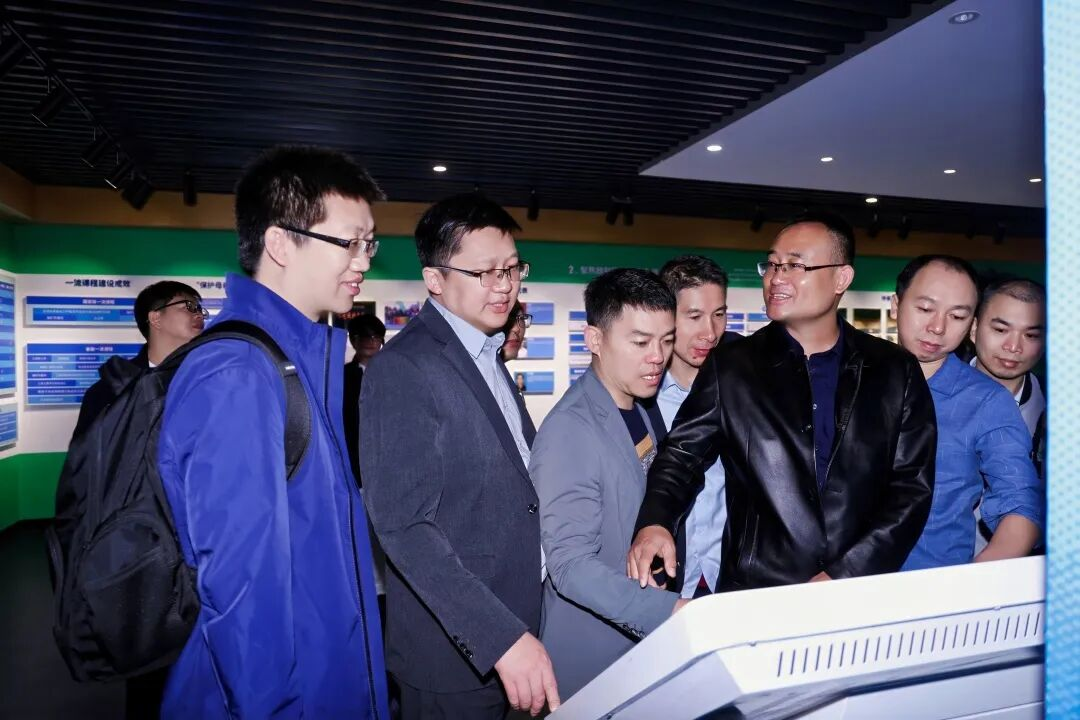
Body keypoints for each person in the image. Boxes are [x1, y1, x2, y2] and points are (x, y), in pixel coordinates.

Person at [156, 145, 389, 719]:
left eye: (370, 243)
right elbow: (241, 592)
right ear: (281, 243)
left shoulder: (296, 358)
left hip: (326, 677)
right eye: (349, 242)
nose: (363, 261)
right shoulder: (238, 372)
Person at [627, 211, 936, 592]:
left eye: (795, 265)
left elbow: (911, 488)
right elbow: (680, 457)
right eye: (772, 264)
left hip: (859, 591)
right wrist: (655, 521)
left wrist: (846, 574)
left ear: (841, 278)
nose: (776, 277)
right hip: (758, 593)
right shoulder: (732, 366)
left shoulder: (895, 370)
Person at [360, 193, 560, 719]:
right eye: (484, 272)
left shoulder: (487, 352)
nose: (504, 285)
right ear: (434, 278)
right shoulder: (405, 368)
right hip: (457, 656)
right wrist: (499, 637)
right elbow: (404, 526)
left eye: (512, 269)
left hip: (520, 626)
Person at [530, 268, 686, 699]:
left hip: (641, 654)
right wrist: (668, 610)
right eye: (640, 342)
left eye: (666, 340)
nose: (657, 357)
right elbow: (570, 566)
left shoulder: (641, 406)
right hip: (595, 660)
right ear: (595, 340)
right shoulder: (570, 429)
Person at [892, 256, 1042, 570]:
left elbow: (1021, 500)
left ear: (970, 324)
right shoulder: (853, 377)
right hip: (837, 581)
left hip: (935, 581)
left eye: (957, 316)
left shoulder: (987, 401)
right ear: (896, 305)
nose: (937, 327)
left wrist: (975, 582)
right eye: (925, 309)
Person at [652, 255, 741, 598]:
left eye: (719, 314)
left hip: (729, 575)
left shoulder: (742, 386)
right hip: (667, 581)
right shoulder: (642, 399)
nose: (710, 332)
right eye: (694, 316)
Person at [72, 281, 206, 439]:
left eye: (200, 309)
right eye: (189, 307)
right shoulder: (111, 390)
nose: (199, 315)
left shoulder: (211, 379)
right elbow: (88, 452)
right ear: (155, 318)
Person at [969, 276, 1046, 476]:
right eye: (1001, 330)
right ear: (974, 329)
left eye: (1031, 335)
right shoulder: (931, 395)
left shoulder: (1062, 409)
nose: (1013, 347)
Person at [343, 312, 387, 484]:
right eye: (365, 337)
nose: (371, 342)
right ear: (354, 340)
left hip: (387, 454)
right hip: (353, 455)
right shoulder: (341, 376)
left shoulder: (394, 374)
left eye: (376, 337)